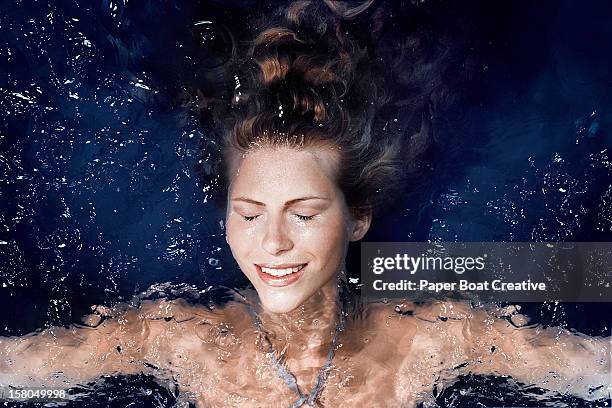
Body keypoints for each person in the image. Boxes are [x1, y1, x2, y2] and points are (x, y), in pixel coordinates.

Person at [1, 1, 609, 407]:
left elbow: (591, 360)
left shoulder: (432, 333)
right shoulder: (174, 338)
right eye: (249, 213)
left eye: (304, 212)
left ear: (358, 218)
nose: (272, 243)